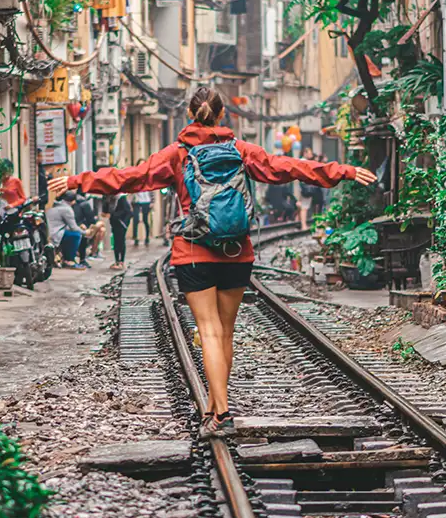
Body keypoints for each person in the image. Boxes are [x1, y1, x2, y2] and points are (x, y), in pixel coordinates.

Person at [49, 87, 375, 436]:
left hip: (193, 252)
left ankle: (220, 413)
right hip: (236, 251)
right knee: (225, 332)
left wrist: (77, 181)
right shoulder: (241, 150)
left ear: (192, 115)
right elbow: (287, 168)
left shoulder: (178, 154)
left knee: (209, 331)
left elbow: (132, 177)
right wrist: (342, 171)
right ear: (222, 116)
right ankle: (216, 405)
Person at [46, 190, 87, 268]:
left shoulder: (56, 205)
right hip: (55, 235)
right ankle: (69, 260)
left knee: (71, 234)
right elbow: (73, 228)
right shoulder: (67, 209)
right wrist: (85, 232)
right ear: (73, 201)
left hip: (50, 232)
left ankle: (64, 258)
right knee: (76, 235)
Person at [72, 192, 107, 262]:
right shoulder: (83, 203)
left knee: (101, 229)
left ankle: (94, 252)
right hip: (81, 228)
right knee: (101, 226)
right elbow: (91, 219)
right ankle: (93, 253)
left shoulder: (80, 202)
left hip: (81, 226)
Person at [105, 194, 133, 269]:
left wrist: (124, 224)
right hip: (114, 223)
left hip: (121, 224)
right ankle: (117, 260)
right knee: (116, 242)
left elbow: (128, 212)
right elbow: (107, 211)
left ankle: (121, 261)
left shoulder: (121, 198)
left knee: (121, 241)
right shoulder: (109, 199)